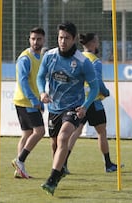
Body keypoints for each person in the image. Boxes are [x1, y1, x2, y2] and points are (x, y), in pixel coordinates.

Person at [37, 21, 99, 196]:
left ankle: (52, 180)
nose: (62, 41)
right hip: (54, 108)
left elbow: (94, 88)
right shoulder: (49, 56)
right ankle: (60, 169)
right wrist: (42, 93)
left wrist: (85, 107)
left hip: (74, 107)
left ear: (73, 40)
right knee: (55, 143)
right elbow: (40, 77)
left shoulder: (83, 62)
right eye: (60, 37)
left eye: (66, 38)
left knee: (64, 137)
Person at [63, 33, 117, 174]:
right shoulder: (95, 61)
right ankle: (108, 164)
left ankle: (63, 162)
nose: (98, 44)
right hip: (93, 101)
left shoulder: (78, 57)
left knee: (75, 132)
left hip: (78, 100)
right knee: (101, 132)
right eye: (97, 41)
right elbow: (97, 82)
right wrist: (106, 92)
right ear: (93, 43)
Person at [11, 27, 46, 179]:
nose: (35, 42)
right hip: (26, 102)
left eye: (38, 39)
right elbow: (23, 81)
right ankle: (20, 160)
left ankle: (20, 170)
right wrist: (33, 100)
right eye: (33, 39)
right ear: (29, 40)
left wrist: (40, 99)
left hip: (26, 101)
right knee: (40, 132)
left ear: (43, 40)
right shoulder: (25, 58)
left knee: (26, 134)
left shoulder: (39, 57)